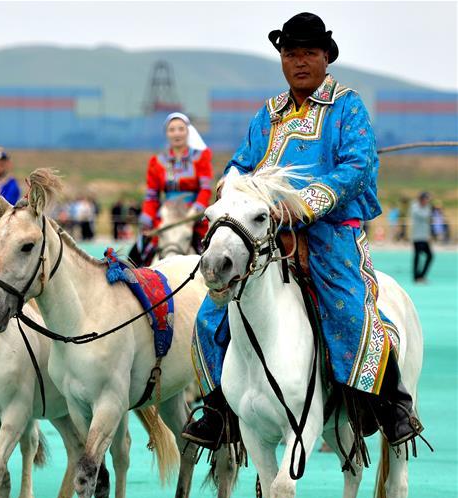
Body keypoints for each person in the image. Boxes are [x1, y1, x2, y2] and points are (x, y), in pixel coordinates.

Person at [184, 12, 424, 450]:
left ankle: (390, 402)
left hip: (330, 233)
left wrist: (299, 205)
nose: (299, 61)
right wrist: (234, 191)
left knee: (351, 311)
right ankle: (218, 407)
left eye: (309, 53)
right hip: (266, 231)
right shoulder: (268, 114)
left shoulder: (347, 106)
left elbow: (356, 167)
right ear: (281, 59)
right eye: (291, 53)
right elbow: (240, 163)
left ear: (326, 57)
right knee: (212, 311)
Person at [132, 112, 213, 266]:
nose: (177, 133)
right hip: (166, 213)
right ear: (167, 134)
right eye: (172, 129)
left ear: (188, 131)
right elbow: (151, 196)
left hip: (193, 214)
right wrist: (147, 218)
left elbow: (205, 188)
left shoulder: (201, 157)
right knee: (142, 247)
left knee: (209, 247)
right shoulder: (157, 162)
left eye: (181, 129)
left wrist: (196, 210)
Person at [411, 192, 434, 283]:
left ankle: (421, 275)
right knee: (417, 256)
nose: (427, 201)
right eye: (426, 199)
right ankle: (416, 276)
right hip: (417, 236)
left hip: (424, 236)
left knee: (429, 255)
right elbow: (424, 216)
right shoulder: (415, 207)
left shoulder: (426, 208)